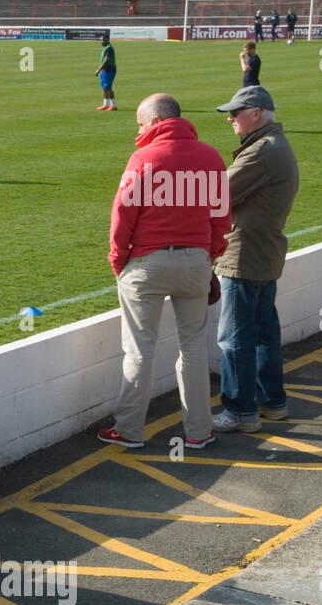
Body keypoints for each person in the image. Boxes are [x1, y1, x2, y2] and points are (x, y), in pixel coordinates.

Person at [97, 93, 230, 449]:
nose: (137, 131)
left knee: (140, 349)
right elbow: (221, 217)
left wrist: (117, 261)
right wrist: (211, 256)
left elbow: (122, 217)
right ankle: (200, 432)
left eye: (140, 124)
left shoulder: (143, 157)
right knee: (194, 347)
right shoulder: (211, 157)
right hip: (195, 263)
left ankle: (128, 430)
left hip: (146, 264)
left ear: (156, 122)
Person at [211, 85, 299, 433]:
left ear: (257, 114)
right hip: (265, 254)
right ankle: (271, 402)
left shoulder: (262, 150)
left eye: (236, 112)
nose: (230, 119)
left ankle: (240, 411)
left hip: (244, 255)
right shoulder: (276, 146)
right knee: (263, 334)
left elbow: (216, 193)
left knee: (234, 337)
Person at [94, 31, 117, 111]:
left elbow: (106, 60)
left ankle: (113, 105)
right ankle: (106, 104)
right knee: (104, 87)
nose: (101, 42)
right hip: (105, 70)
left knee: (108, 87)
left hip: (109, 70)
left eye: (103, 40)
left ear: (107, 40)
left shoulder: (109, 49)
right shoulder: (106, 48)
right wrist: (101, 72)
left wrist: (98, 70)